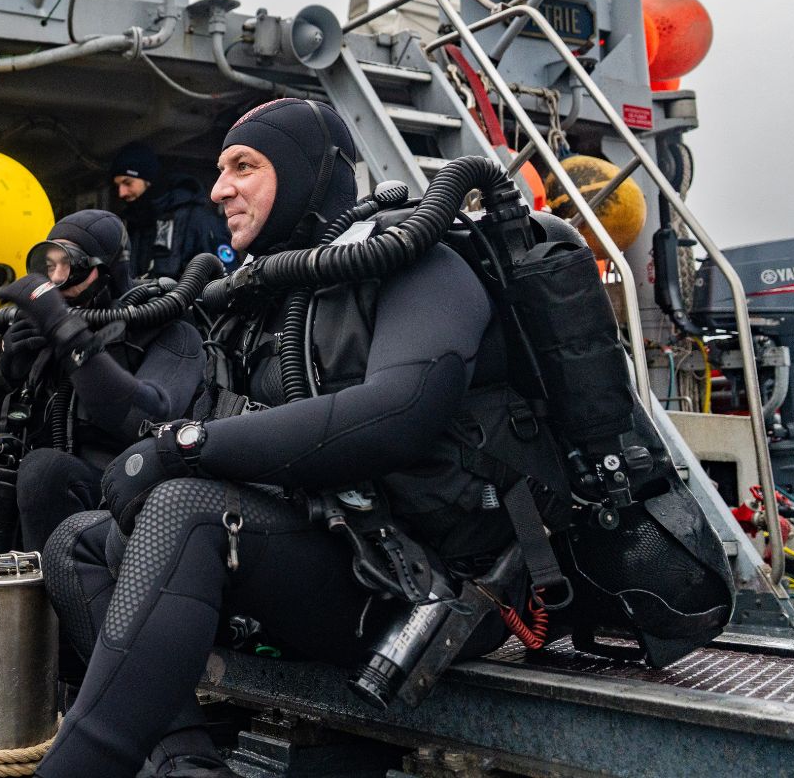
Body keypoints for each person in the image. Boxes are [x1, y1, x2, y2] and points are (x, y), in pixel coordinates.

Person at [34, 100, 522, 777]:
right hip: (344, 555)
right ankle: (185, 766)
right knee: (77, 542)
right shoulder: (263, 299)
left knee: (183, 510)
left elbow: (399, 414)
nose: (218, 188)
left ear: (303, 173)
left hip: (438, 593)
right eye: (219, 169)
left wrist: (186, 446)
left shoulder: (416, 260)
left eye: (245, 166)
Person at [0, 210, 205, 555]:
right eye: (48, 267)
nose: (57, 280)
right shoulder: (43, 334)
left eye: (70, 267)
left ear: (108, 270)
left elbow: (145, 416)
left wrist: (69, 337)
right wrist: (4, 375)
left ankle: (54, 604)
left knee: (44, 470)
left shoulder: (170, 331)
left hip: (116, 496)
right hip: (32, 493)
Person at [110, 143, 233, 280]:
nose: (121, 193)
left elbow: (227, 280)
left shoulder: (197, 218)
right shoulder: (131, 225)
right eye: (118, 186)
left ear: (148, 180)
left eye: (127, 183)